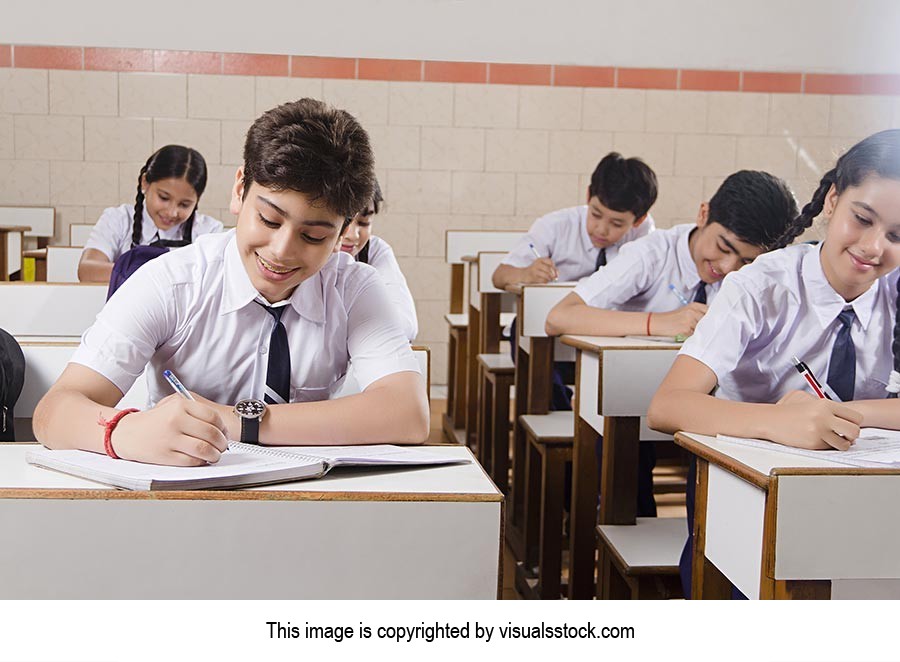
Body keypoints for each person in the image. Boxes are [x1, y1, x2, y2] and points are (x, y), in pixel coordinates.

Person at [34, 99, 429, 466]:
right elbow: (54, 412)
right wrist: (125, 431)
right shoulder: (171, 282)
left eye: (313, 236)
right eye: (269, 220)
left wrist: (234, 421)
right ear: (240, 190)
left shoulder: (356, 287)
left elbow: (407, 413)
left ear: (344, 231)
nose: (281, 251)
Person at [647, 130, 900, 596]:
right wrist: (777, 421)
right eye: (862, 219)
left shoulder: (896, 289)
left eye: (897, 236)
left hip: (861, 495)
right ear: (832, 200)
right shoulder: (761, 284)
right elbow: (667, 406)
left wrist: (843, 415)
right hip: (741, 492)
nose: (873, 247)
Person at [546, 170, 798, 517]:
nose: (727, 268)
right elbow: (560, 316)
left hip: (714, 416)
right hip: (635, 404)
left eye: (747, 261)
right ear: (703, 214)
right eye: (724, 247)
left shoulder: (761, 280)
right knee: (629, 454)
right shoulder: (653, 252)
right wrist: (657, 323)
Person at [493, 152, 658, 410]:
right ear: (588, 196)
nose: (601, 230)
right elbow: (500, 275)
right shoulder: (555, 225)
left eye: (616, 223)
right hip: (555, 329)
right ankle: (559, 413)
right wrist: (526, 274)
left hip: (611, 328)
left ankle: (610, 424)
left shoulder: (646, 236)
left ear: (639, 220)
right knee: (522, 327)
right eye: (595, 214)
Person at [77, 145, 223, 283]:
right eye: (164, 198)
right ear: (144, 183)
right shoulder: (118, 219)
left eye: (184, 205)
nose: (172, 212)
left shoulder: (209, 231)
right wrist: (154, 275)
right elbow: (87, 269)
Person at [339, 180, 418, 341]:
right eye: (345, 221)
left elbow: (405, 326)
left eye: (364, 223)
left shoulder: (373, 251)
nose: (353, 235)